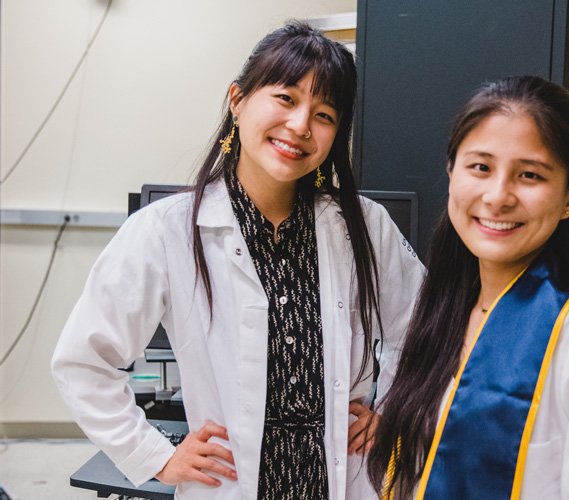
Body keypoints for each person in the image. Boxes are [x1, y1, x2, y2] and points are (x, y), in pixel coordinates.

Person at [51, 22, 424, 500]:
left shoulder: (364, 226)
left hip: (339, 480)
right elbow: (83, 359)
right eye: (286, 98)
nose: (301, 126)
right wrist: (155, 456)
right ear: (238, 99)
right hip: (228, 485)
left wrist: (392, 409)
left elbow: (426, 329)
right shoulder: (166, 229)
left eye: (325, 113)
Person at [366, 76, 569, 499]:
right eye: (481, 167)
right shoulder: (443, 310)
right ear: (451, 172)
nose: (498, 196)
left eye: (529, 175)